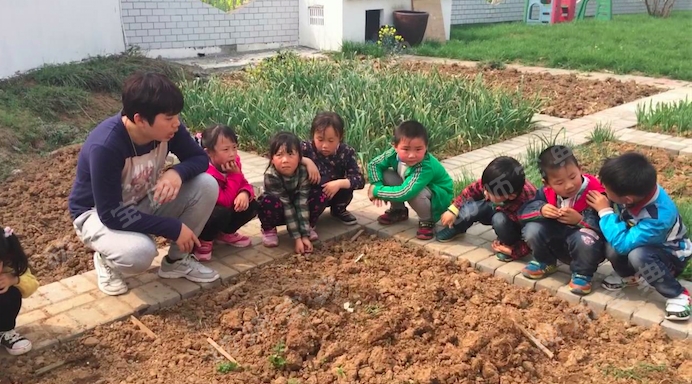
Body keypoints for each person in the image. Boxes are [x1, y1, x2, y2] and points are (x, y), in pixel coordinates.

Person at [68, 72, 220, 297]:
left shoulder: (168, 130)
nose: (176, 123)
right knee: (140, 253)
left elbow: (199, 159)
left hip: (139, 199)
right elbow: (111, 213)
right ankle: (106, 260)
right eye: (169, 118)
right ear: (139, 119)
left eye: (176, 116)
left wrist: (176, 173)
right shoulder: (106, 146)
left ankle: (176, 262)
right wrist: (173, 228)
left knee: (206, 185)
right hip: (97, 214)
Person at [587, 152, 691, 321]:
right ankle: (629, 276)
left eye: (606, 189)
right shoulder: (637, 190)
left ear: (627, 199)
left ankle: (677, 294)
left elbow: (622, 244)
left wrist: (604, 211)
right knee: (611, 244)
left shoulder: (658, 216)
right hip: (640, 241)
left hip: (670, 256)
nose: (603, 191)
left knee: (637, 254)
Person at [519, 145, 606, 295]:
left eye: (573, 177)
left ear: (580, 169)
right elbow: (522, 213)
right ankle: (545, 261)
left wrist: (580, 220)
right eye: (559, 183)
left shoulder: (596, 193)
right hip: (557, 242)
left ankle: (582, 273)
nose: (569, 185)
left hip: (584, 245)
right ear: (546, 183)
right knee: (532, 229)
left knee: (585, 238)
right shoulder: (546, 193)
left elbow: (607, 226)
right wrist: (541, 209)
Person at [437, 156, 537, 262]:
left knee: (499, 220)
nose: (485, 193)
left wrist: (515, 251)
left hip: (514, 224)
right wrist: (453, 209)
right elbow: (470, 192)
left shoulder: (529, 202)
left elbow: (533, 235)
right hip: (498, 208)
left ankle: (508, 244)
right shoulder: (494, 183)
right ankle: (456, 227)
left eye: (489, 193)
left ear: (511, 195)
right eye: (485, 189)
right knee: (472, 209)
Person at [367, 120, 454, 240]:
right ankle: (399, 211)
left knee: (415, 193)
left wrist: (376, 191)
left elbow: (405, 192)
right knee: (386, 174)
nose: (412, 155)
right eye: (406, 149)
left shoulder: (425, 166)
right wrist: (376, 183)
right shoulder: (392, 154)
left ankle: (427, 220)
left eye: (418, 149)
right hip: (414, 186)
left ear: (426, 147)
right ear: (395, 147)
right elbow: (374, 165)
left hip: (438, 195)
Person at [193, 125, 258, 261]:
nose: (232, 153)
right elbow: (224, 201)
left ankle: (225, 233)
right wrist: (234, 176)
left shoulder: (233, 163)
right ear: (209, 152)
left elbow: (244, 183)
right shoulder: (206, 171)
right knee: (220, 213)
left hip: (224, 208)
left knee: (252, 205)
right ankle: (204, 239)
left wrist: (245, 193)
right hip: (205, 215)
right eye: (226, 149)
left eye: (234, 147)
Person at [257, 131, 328, 253]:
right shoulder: (271, 175)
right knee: (268, 201)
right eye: (279, 155)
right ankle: (268, 229)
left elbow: (302, 202)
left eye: (290, 154)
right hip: (279, 211)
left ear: (300, 157)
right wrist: (297, 239)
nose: (285, 160)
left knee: (319, 195)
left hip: (297, 207)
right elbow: (286, 205)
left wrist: (304, 235)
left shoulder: (303, 172)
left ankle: (307, 227)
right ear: (272, 159)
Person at [299, 112, 365, 227]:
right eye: (320, 139)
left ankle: (338, 209)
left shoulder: (346, 152)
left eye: (331, 141)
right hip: (312, 193)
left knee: (347, 184)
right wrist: (307, 161)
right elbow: (285, 157)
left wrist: (339, 183)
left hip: (334, 191)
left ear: (340, 137)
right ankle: (308, 218)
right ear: (313, 135)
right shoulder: (305, 148)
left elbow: (359, 179)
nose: (325, 145)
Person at [0, 227, 39, 356]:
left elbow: (32, 284)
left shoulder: (11, 266)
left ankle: (5, 331)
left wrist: (14, 280)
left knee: (11, 294)